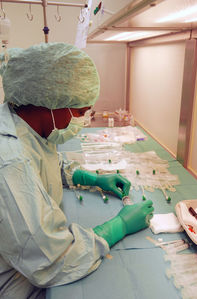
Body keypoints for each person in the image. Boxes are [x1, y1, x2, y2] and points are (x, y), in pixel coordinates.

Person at [0, 42, 154, 298]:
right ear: (49, 102)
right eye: (80, 111)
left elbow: (43, 161)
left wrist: (89, 177)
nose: (83, 120)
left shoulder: (24, 124)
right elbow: (52, 260)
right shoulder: (9, 163)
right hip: (15, 282)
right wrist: (119, 226)